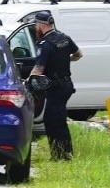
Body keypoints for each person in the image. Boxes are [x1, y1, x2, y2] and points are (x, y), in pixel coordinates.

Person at [28, 10, 83, 161]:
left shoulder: (46, 44)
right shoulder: (64, 37)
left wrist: (29, 83)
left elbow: (38, 69)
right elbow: (79, 54)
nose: (35, 28)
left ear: (41, 24)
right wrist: (64, 59)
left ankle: (61, 156)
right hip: (66, 85)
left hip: (56, 87)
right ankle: (63, 154)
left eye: (36, 25)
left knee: (53, 121)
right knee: (58, 119)